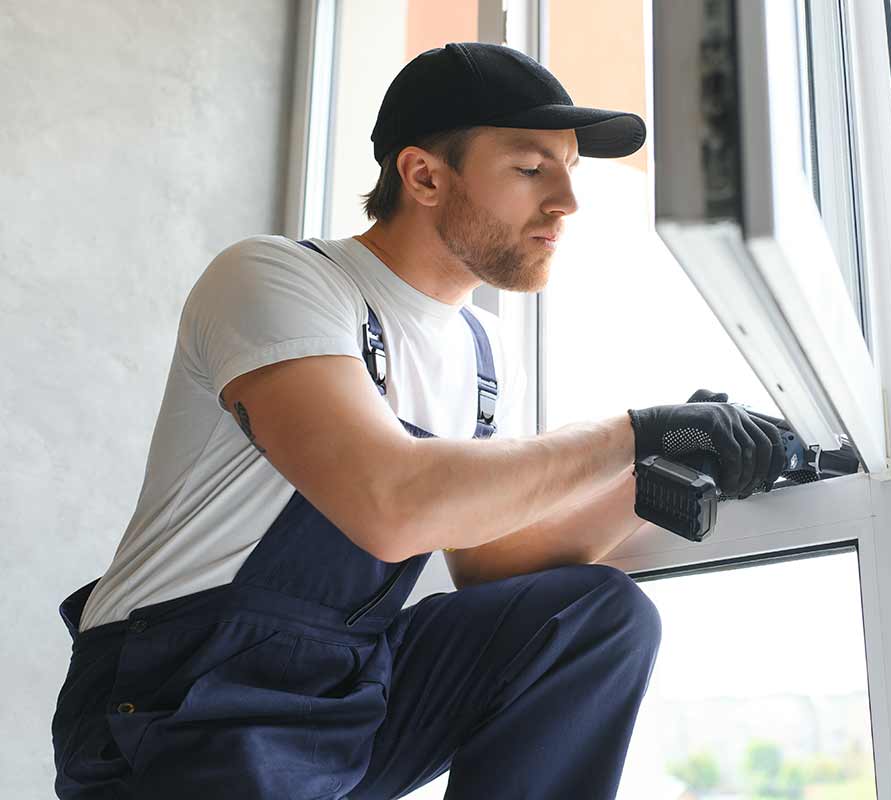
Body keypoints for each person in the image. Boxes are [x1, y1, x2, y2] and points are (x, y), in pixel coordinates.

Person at [50, 42, 788, 799]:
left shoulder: (482, 353)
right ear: (424, 175)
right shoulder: (279, 280)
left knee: (596, 618)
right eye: (533, 169)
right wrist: (636, 432)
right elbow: (390, 503)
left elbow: (488, 563)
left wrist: (665, 471)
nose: (567, 200)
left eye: (573, 170)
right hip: (178, 703)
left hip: (344, 689)